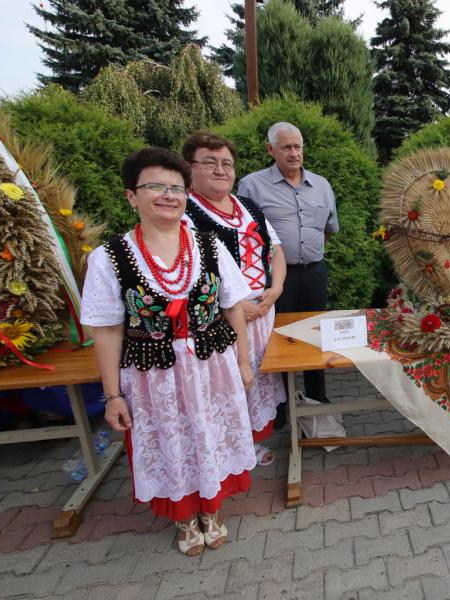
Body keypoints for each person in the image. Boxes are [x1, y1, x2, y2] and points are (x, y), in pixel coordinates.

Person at [81, 148, 256, 555]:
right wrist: (112, 395)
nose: (168, 195)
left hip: (212, 366)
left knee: (211, 433)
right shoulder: (109, 258)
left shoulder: (210, 246)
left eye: (176, 188)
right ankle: (184, 517)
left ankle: (211, 508)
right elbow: (106, 331)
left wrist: (244, 363)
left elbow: (233, 307)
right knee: (171, 441)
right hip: (154, 374)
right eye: (155, 186)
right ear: (131, 196)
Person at [181, 131, 287, 466]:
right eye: (209, 162)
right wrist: (235, 306)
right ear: (189, 169)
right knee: (228, 381)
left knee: (259, 376)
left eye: (227, 163)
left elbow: (276, 251)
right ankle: (230, 448)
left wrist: (276, 288)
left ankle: (254, 438)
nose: (220, 170)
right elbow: (183, 274)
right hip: (221, 317)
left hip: (264, 309)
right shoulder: (183, 213)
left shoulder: (248, 206)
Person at [238, 122, 339, 405]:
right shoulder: (252, 185)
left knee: (316, 335)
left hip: (314, 273)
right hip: (275, 280)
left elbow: (328, 229)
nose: (293, 153)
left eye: (297, 146)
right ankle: (282, 404)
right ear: (270, 149)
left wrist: (305, 250)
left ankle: (317, 398)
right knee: (276, 339)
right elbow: (244, 237)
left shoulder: (321, 185)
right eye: (286, 147)